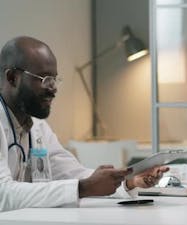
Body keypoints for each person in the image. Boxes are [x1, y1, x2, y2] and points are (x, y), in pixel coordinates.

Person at [0, 36, 169, 212]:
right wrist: (84, 188)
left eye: (54, 79)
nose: (53, 88)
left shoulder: (37, 126)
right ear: (12, 78)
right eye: (44, 79)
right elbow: (3, 195)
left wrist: (129, 181)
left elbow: (73, 174)